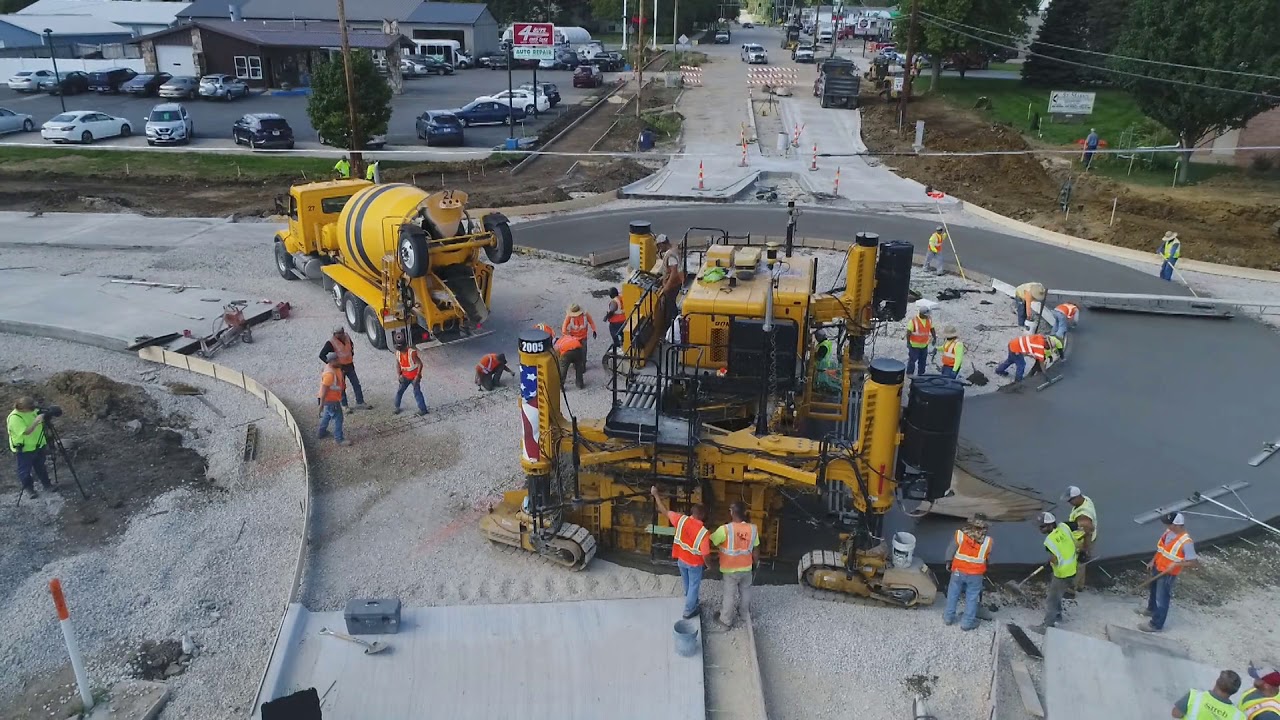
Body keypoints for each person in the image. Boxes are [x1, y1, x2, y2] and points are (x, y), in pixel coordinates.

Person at [651, 486, 712, 620]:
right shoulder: (703, 533)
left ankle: (691, 601)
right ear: (702, 516)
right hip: (695, 564)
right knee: (694, 586)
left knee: (687, 584)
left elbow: (664, 511)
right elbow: (706, 553)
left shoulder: (681, 519)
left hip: (681, 560)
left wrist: (655, 495)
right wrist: (709, 565)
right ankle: (689, 611)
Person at [1139, 512, 1198, 633]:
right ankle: (1151, 609)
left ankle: (1156, 625)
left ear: (1177, 525)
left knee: (1162, 599)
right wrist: (1152, 561)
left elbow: (1193, 562)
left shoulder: (1186, 542)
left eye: (1168, 524)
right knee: (1154, 591)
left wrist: (1177, 564)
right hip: (1158, 567)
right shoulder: (1168, 533)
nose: (1166, 527)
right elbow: (1161, 549)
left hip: (1168, 574)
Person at [711, 501, 759, 629]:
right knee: (746, 591)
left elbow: (714, 540)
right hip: (747, 567)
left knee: (729, 595)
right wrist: (755, 562)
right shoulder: (753, 529)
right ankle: (744, 614)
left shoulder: (725, 529)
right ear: (744, 513)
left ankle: (726, 620)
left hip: (730, 569)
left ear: (732, 512)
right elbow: (756, 549)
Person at [943, 514, 992, 631]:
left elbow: (950, 550)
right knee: (972, 597)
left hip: (958, 571)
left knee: (953, 593)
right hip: (976, 575)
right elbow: (988, 559)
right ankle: (967, 623)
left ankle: (948, 618)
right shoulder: (988, 541)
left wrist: (948, 562)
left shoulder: (960, 535)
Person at [1035, 511, 1078, 633]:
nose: (1040, 529)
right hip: (1072, 569)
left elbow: (1054, 559)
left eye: (1042, 526)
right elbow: (1076, 525)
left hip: (1062, 573)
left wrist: (1050, 562)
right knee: (1058, 594)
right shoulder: (1064, 527)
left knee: (1052, 599)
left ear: (1050, 525)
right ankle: (1058, 616)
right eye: (1039, 526)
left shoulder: (1049, 541)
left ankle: (1047, 626)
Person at [7, 397, 55, 500]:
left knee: (41, 466)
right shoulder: (15, 418)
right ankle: (29, 489)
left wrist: (49, 413)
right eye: (31, 407)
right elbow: (27, 432)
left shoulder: (33, 410)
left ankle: (47, 485)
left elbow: (42, 414)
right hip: (24, 449)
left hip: (38, 445)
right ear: (23, 408)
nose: (33, 409)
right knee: (25, 471)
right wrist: (37, 421)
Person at [318, 327, 368, 413]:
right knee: (341, 387)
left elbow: (351, 346)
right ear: (335, 334)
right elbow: (322, 355)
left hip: (349, 365)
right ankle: (344, 405)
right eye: (339, 333)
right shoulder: (331, 343)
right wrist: (331, 363)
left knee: (356, 384)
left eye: (342, 332)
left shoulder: (347, 337)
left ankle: (360, 402)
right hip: (340, 368)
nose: (341, 334)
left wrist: (351, 354)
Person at [1171, 671, 1245, 720]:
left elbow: (1175, 713)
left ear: (1217, 681)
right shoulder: (1239, 717)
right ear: (1235, 691)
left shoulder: (1194, 696)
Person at [1064, 485, 1097, 593]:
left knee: (1075, 564)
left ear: (1077, 497)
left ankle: (1071, 590)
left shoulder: (1083, 513)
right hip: (1084, 537)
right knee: (1081, 564)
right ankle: (1080, 586)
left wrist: (1085, 549)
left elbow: (1088, 529)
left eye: (1070, 500)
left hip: (1082, 540)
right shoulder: (1086, 499)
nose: (1069, 503)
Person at [995, 333, 1062, 382]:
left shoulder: (1040, 337)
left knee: (1011, 360)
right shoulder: (1039, 347)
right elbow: (1041, 362)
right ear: (1046, 344)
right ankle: (1018, 381)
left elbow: (1033, 352)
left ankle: (999, 370)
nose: (1046, 349)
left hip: (1012, 344)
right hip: (1016, 349)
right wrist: (1045, 374)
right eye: (1048, 347)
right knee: (1021, 364)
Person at [317, 353, 351, 446]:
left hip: (330, 400)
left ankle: (321, 432)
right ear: (331, 362)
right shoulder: (329, 374)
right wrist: (321, 405)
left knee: (327, 415)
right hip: (331, 400)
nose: (338, 361)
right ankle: (339, 439)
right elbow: (324, 391)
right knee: (338, 418)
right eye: (336, 360)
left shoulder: (329, 367)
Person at [392, 337, 428, 416]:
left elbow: (420, 364)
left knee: (417, 392)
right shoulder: (398, 353)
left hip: (414, 377)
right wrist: (399, 375)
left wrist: (417, 376)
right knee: (400, 391)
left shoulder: (412, 353)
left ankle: (423, 409)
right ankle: (396, 407)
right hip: (404, 376)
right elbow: (398, 364)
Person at [906, 305, 936, 376]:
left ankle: (921, 375)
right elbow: (908, 332)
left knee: (922, 361)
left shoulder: (929, 319)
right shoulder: (913, 321)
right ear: (921, 314)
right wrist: (908, 342)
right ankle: (910, 374)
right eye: (926, 315)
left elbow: (932, 329)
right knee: (912, 360)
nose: (927, 316)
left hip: (924, 345)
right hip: (914, 346)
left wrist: (934, 337)